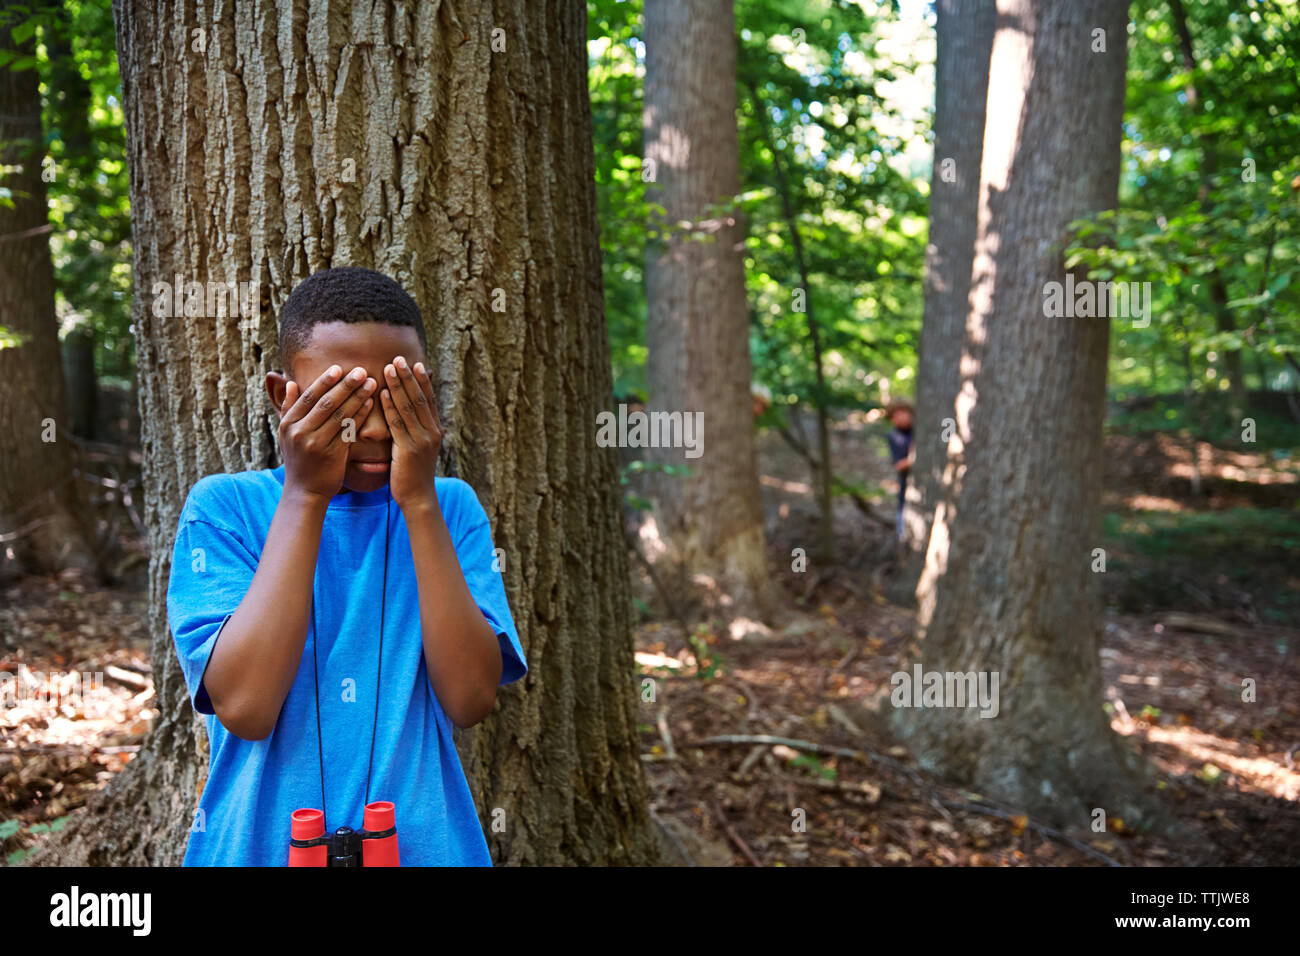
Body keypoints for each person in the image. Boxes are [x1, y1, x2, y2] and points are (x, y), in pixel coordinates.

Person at [166, 267, 526, 866]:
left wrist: (419, 503)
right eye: (346, 403)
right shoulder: (225, 509)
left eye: (396, 398)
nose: (378, 429)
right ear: (284, 398)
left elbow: (470, 699)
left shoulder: (449, 509)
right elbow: (248, 707)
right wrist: (306, 495)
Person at [884, 400, 915, 543]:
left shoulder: (919, 430)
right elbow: (898, 465)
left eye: (904, 413)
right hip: (907, 488)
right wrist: (913, 458)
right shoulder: (894, 436)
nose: (901, 417)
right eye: (896, 415)